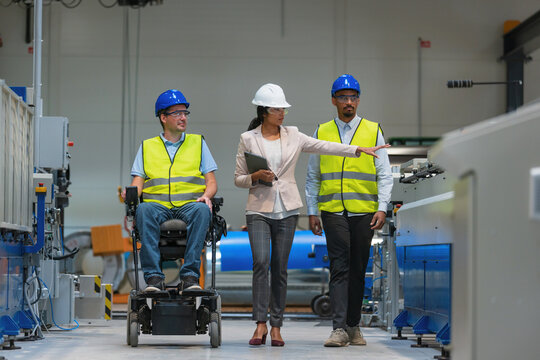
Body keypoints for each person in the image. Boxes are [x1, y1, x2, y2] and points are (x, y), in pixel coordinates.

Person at [234, 83, 389, 347]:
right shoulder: (248, 138)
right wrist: (256, 177)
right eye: (277, 109)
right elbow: (239, 178)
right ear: (263, 111)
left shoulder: (294, 134)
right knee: (261, 263)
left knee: (281, 268)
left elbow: (325, 146)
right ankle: (261, 323)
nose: (282, 113)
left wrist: (357, 149)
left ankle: (277, 327)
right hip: (260, 208)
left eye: (284, 108)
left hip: (290, 209)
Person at [306, 74, 393, 347]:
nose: (349, 102)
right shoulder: (321, 132)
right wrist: (312, 210)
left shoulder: (372, 129)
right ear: (334, 100)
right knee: (339, 268)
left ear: (358, 100)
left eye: (353, 97)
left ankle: (354, 326)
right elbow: (313, 176)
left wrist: (382, 208)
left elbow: (385, 174)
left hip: (364, 211)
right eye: (343, 97)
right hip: (332, 211)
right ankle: (338, 328)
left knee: (358, 269)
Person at [123, 89, 218, 292]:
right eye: (177, 113)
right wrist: (130, 195)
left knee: (202, 210)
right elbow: (137, 182)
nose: (183, 117)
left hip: (190, 206)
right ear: (163, 117)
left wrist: (206, 197)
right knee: (143, 210)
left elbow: (211, 182)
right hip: (156, 207)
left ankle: (190, 276)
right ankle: (154, 278)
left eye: (185, 113)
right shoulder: (147, 146)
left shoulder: (198, 143)